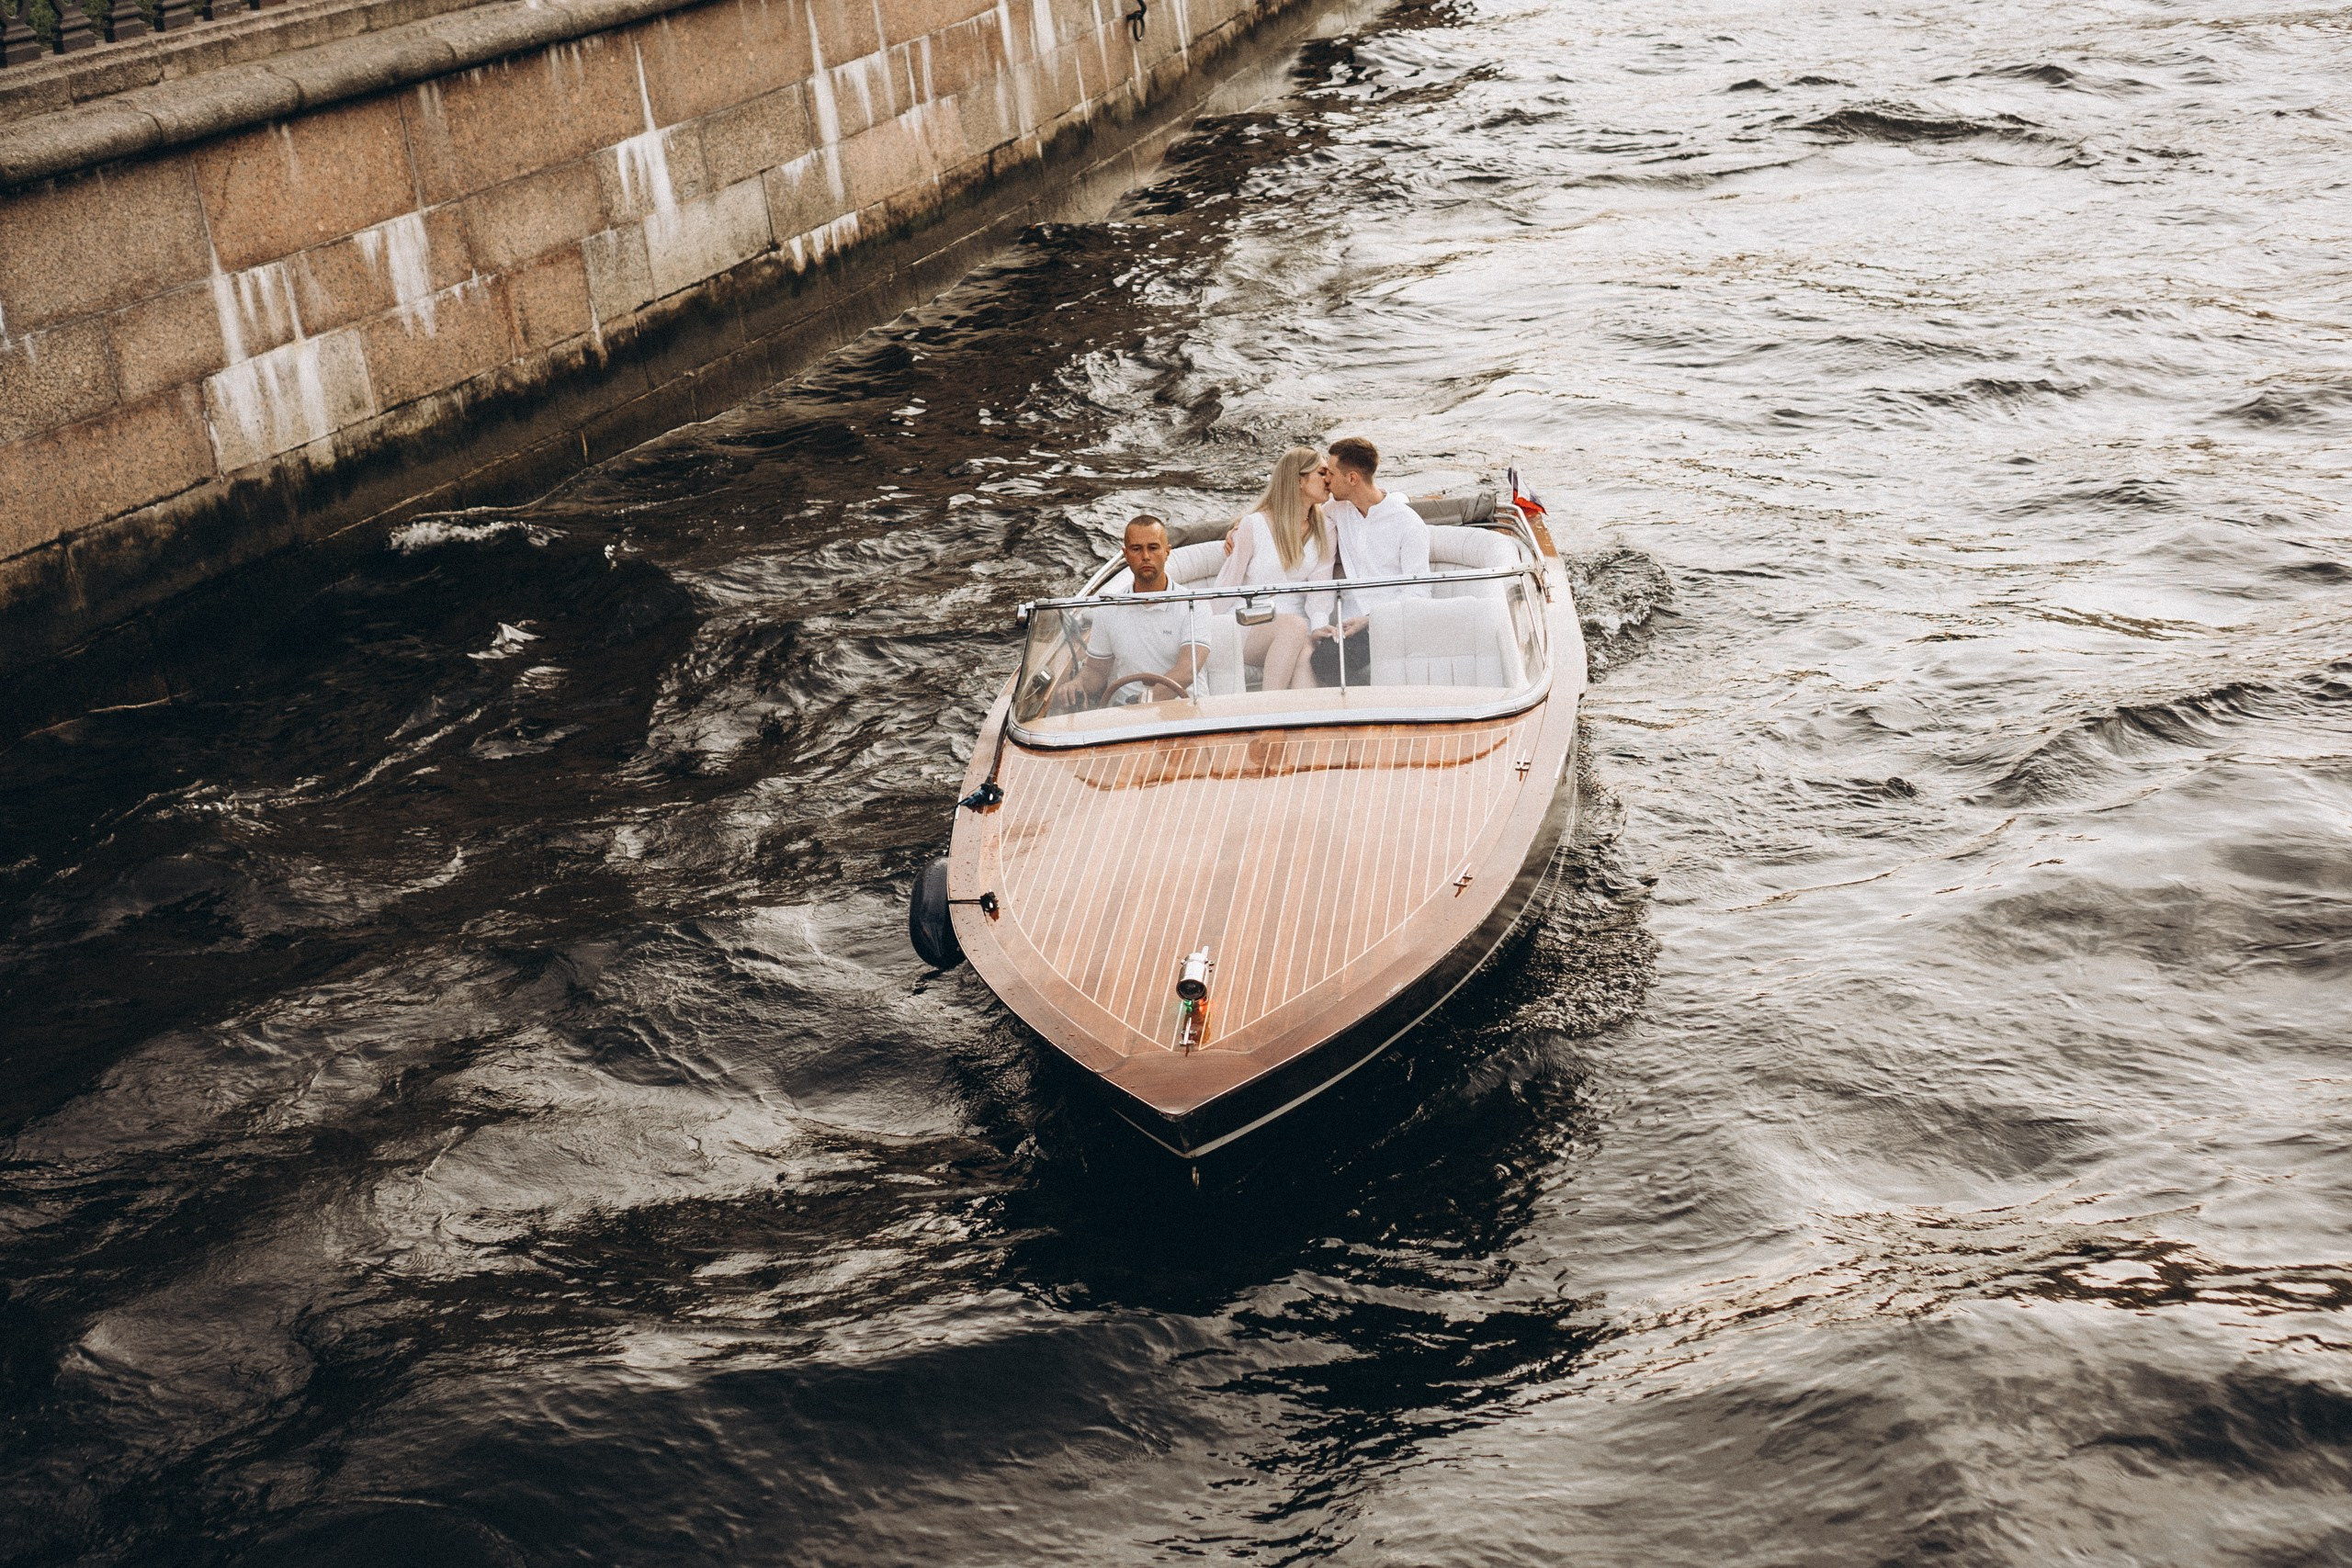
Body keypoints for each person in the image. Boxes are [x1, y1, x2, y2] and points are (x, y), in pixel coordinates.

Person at [1214, 446, 1334, 691]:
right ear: (1299, 480)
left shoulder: (1327, 528)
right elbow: (1228, 583)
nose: (1328, 480)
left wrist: (1320, 627)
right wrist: (1200, 628)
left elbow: (1320, 594)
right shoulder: (1253, 525)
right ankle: (1268, 709)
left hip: (1297, 626)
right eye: (1321, 473)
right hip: (1248, 622)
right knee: (1295, 628)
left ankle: (1306, 724)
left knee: (1305, 652)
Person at [1312, 434, 1429, 684]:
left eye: (1331, 473)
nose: (1326, 480)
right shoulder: (1337, 510)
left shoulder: (1409, 525)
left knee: (1325, 659)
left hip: (1393, 622)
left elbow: (1419, 594)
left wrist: (1370, 619)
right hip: (1350, 623)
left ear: (1352, 478)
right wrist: (1238, 525)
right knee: (1317, 655)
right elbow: (1292, 511)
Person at [1076, 515, 1209, 706]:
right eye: (1136, 549)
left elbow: (1186, 670)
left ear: (1167, 552)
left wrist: (1144, 702)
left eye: (1153, 548)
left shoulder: (1194, 604)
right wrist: (1078, 683)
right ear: (1126, 554)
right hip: (1127, 715)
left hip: (1185, 710)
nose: (1145, 556)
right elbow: (1096, 672)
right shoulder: (1109, 608)